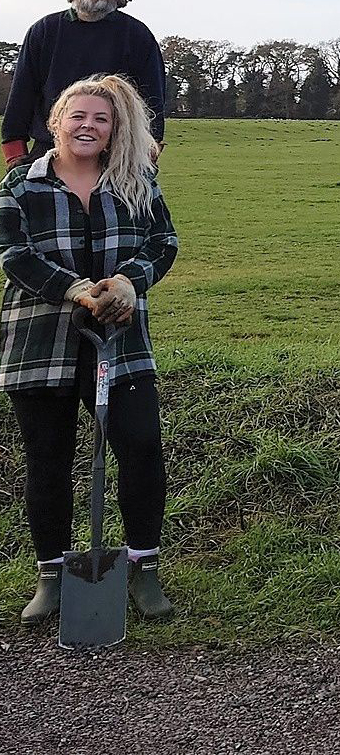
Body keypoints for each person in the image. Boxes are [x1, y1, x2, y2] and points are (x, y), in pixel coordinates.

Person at [0, 75, 179, 624]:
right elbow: (11, 251)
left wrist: (127, 282)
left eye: (101, 119)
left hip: (119, 342)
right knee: (47, 461)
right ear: (55, 122)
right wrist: (74, 289)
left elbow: (163, 242)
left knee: (141, 445)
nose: (88, 126)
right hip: (40, 340)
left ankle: (142, 568)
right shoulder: (19, 186)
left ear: (113, 131)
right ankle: (51, 576)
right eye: (77, 116)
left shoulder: (136, 181)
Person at [4, 0, 167, 168]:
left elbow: (152, 103)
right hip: (49, 153)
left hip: (116, 159)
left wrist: (146, 158)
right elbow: (22, 95)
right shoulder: (44, 31)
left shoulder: (138, 36)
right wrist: (15, 155)